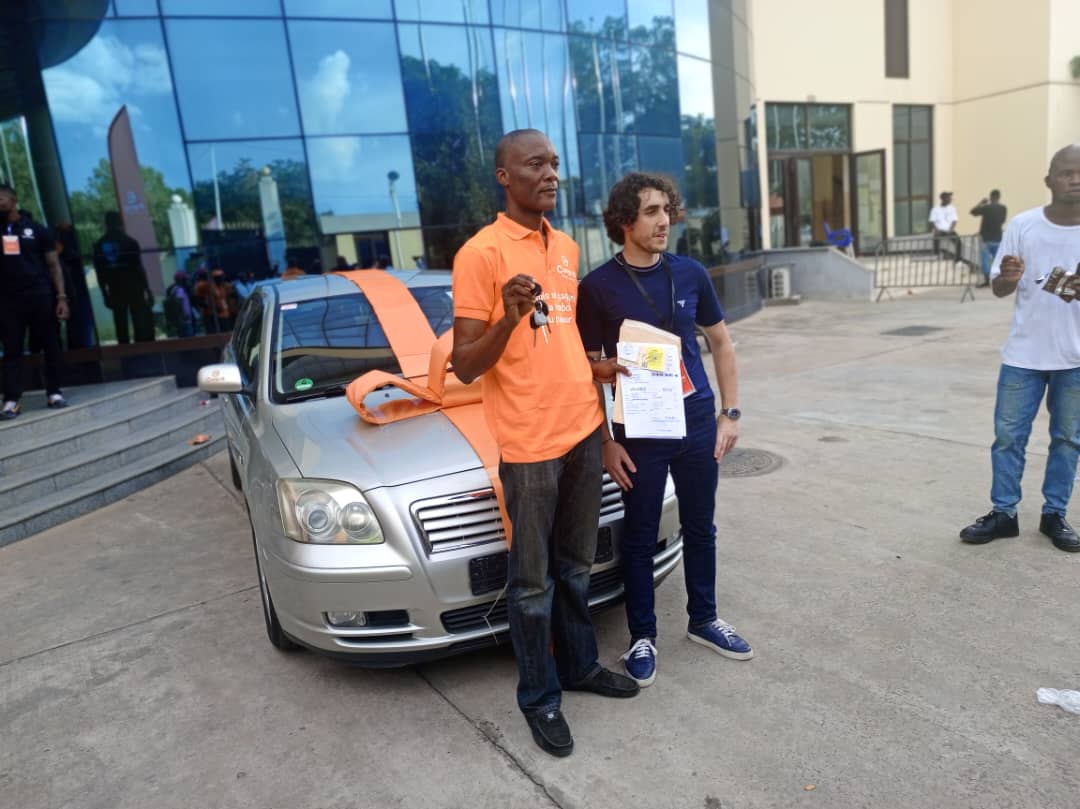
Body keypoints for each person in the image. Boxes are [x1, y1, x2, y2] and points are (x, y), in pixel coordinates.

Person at [451, 128, 639, 758]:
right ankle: (539, 697)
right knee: (532, 583)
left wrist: (594, 368)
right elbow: (465, 366)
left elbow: (559, 339)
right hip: (530, 441)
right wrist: (506, 318)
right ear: (505, 176)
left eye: (555, 163)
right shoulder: (480, 254)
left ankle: (580, 666)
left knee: (576, 566)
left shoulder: (565, 247)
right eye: (535, 164)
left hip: (582, 428)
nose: (551, 174)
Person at [576, 172, 754, 688]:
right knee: (639, 535)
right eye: (651, 212)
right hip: (639, 430)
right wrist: (606, 441)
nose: (664, 221)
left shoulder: (690, 273)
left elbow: (721, 342)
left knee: (700, 527)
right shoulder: (597, 288)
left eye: (667, 211)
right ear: (624, 221)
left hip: (696, 421)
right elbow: (588, 370)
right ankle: (642, 637)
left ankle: (704, 620)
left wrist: (730, 413)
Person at [960, 144, 1080, 553]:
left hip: (1075, 360)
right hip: (1023, 357)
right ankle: (1004, 514)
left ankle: (1054, 515)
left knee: (1068, 440)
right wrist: (1008, 279)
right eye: (1066, 172)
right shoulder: (1024, 225)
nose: (1075, 179)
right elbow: (999, 287)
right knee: (1008, 438)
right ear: (1049, 180)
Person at [0, 183, 69, 418]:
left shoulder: (37, 229)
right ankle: (11, 400)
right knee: (12, 350)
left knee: (51, 345)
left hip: (40, 296)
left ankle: (54, 392)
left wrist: (61, 298)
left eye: (1, 198)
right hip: (8, 301)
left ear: (13, 200)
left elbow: (53, 265)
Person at [92, 211, 154, 343]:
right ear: (120, 222)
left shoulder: (99, 245)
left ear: (106, 224)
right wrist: (147, 289)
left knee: (121, 325)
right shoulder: (130, 242)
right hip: (134, 287)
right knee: (139, 323)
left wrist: (105, 294)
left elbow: (100, 273)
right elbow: (138, 268)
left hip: (115, 289)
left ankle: (125, 352)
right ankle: (141, 351)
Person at [970, 190, 1007, 288]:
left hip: (985, 238)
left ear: (991, 197)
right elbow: (1003, 221)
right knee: (997, 260)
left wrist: (981, 203)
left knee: (985, 260)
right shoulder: (1003, 208)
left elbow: (972, 212)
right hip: (997, 237)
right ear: (999, 197)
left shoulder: (986, 208)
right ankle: (998, 281)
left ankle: (987, 281)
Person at [929, 191, 961, 262]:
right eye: (948, 198)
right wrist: (936, 230)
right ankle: (936, 256)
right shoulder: (935, 209)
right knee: (936, 239)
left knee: (958, 241)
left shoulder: (952, 208)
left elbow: (954, 220)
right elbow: (931, 221)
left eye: (950, 198)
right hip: (939, 230)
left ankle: (957, 259)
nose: (950, 200)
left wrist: (951, 229)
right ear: (943, 199)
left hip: (949, 230)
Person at [163, 270, 195, 338]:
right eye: (185, 280)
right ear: (181, 280)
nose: (187, 281)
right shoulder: (180, 290)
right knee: (189, 339)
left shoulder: (174, 289)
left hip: (181, 320)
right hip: (185, 320)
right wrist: (183, 315)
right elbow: (178, 303)